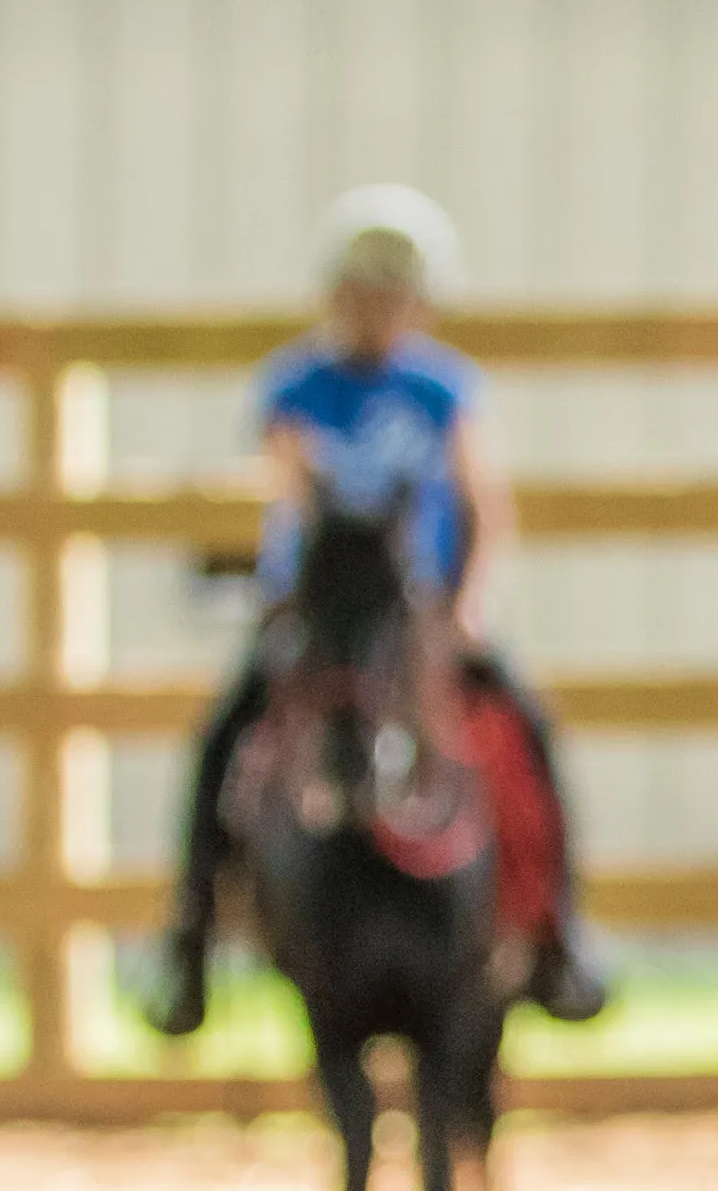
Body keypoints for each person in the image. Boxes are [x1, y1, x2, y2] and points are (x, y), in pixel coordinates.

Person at [136, 189, 611, 1036]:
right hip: (319, 617)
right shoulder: (296, 386)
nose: (374, 311)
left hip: (421, 617)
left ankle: (559, 933)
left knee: (527, 731)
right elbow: (275, 494)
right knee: (225, 739)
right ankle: (191, 941)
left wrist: (466, 606)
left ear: (421, 305)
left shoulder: (443, 389)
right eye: (359, 292)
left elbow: (482, 506)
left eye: (392, 295)